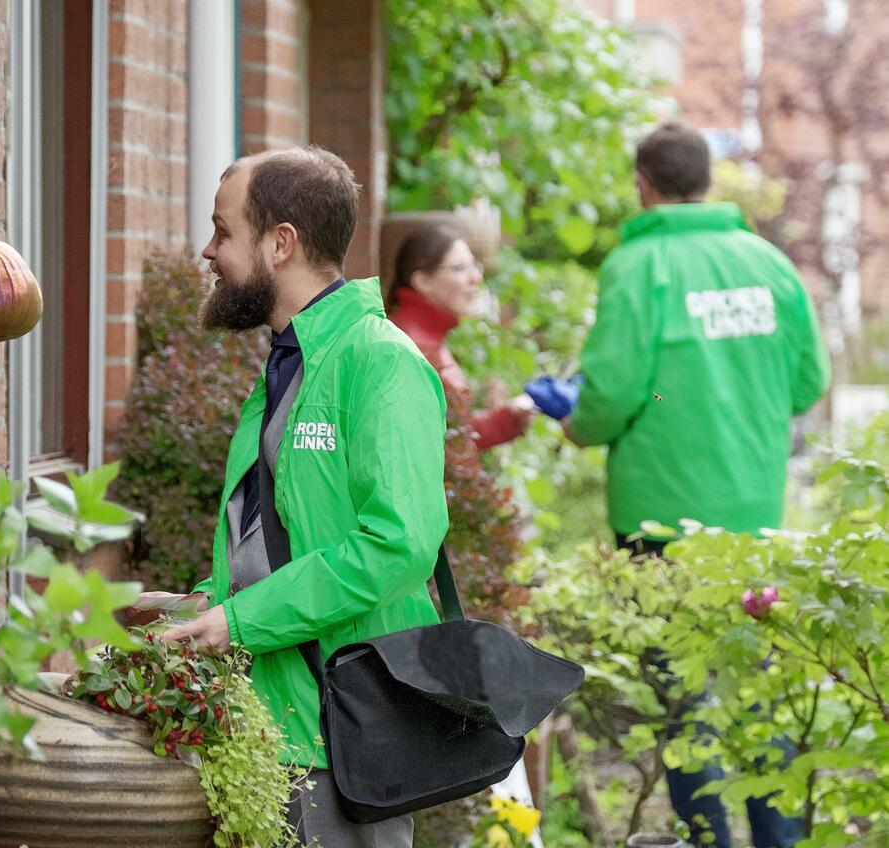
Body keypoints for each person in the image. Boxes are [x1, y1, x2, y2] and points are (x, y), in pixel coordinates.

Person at [135, 146, 449, 848]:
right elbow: (279, 540)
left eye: (223, 230)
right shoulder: (290, 365)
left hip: (341, 740)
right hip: (280, 732)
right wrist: (206, 604)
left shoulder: (378, 361)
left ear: (281, 244)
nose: (207, 251)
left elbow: (396, 543)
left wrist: (239, 623)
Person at [542, 121, 830, 847]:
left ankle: (712, 840)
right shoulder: (767, 264)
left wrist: (577, 423)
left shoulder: (639, 268)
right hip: (754, 519)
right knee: (756, 692)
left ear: (644, 183)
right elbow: (808, 383)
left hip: (661, 523)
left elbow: (610, 399)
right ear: (708, 179)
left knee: (686, 702)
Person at [386, 226, 536, 451]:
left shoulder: (425, 336)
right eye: (460, 268)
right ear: (423, 281)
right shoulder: (414, 345)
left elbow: (449, 437)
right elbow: (437, 449)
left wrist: (509, 416)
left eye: (474, 266)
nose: (476, 277)